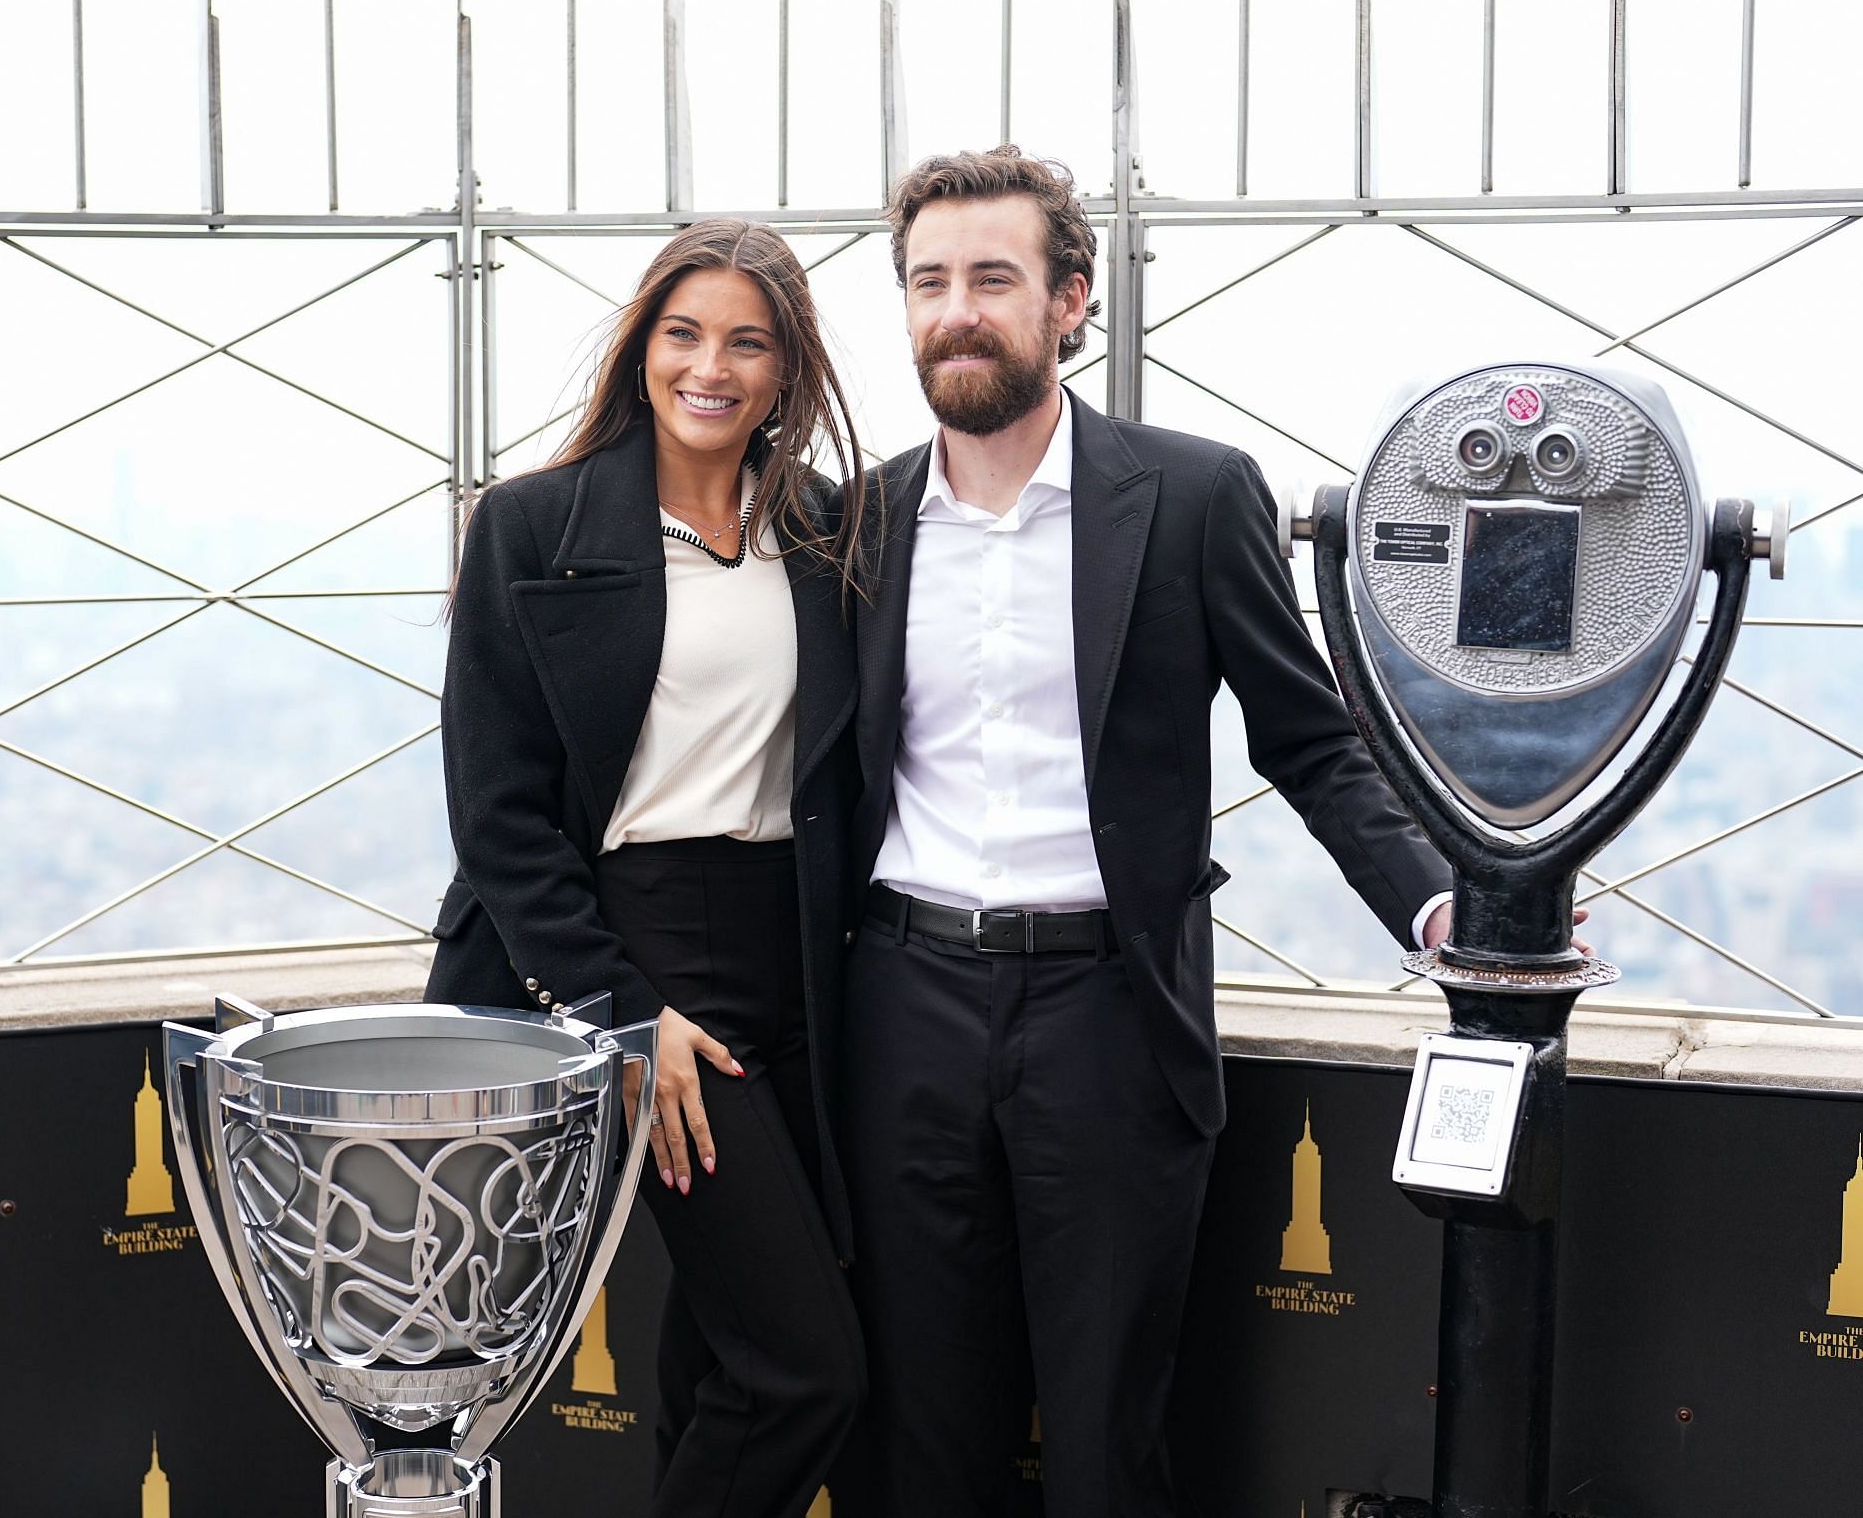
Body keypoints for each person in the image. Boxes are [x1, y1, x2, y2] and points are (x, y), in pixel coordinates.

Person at [836, 146, 1457, 1518]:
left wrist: (1438, 906)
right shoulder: (858, 519)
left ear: (1069, 298)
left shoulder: (1189, 494)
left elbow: (1308, 735)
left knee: (1111, 1441)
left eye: (993, 278)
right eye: (929, 281)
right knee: (925, 1442)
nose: (957, 310)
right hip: (900, 1011)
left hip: (1109, 1017)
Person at [424, 218, 870, 1518]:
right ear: (641, 349)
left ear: (789, 369)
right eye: (684, 333)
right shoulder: (533, 526)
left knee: (730, 1354)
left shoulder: (832, 531)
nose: (710, 365)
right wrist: (623, 1010)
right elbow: (498, 811)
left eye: (749, 339)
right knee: (805, 1370)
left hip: (796, 956)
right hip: (640, 955)